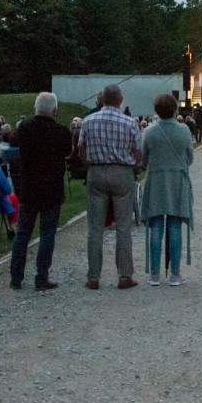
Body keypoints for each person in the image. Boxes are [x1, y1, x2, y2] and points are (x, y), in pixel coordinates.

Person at [78, 84, 141, 290]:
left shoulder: (88, 121)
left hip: (96, 171)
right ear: (120, 101)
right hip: (122, 173)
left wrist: (89, 165)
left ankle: (93, 277)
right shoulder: (129, 122)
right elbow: (137, 151)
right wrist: (132, 165)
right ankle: (124, 275)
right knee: (123, 227)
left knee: (95, 228)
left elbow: (81, 148)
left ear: (102, 99)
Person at [10, 92, 73, 290]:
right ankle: (41, 277)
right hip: (52, 189)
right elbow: (67, 152)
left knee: (23, 234)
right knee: (47, 234)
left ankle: (16, 277)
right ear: (54, 110)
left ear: (36, 108)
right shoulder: (61, 132)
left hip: (29, 188)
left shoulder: (24, 129)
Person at [140, 93, 195, 286]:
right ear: (174, 109)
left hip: (156, 180)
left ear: (156, 110)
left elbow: (144, 160)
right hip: (177, 181)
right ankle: (175, 274)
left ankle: (154, 274)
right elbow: (189, 158)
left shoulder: (149, 132)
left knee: (156, 226)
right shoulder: (184, 130)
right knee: (175, 226)